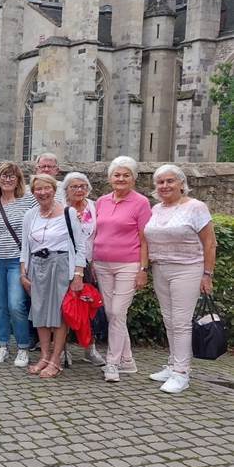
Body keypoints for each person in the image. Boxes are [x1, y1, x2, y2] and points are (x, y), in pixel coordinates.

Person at [145, 165, 217, 394]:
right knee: (169, 319)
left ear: (182, 184)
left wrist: (207, 274)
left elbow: (210, 243)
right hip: (161, 269)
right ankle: (173, 364)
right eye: (160, 182)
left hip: (187, 269)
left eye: (170, 181)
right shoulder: (156, 209)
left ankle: (182, 373)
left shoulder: (196, 207)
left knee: (181, 322)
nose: (165, 186)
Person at [19, 173, 86, 378]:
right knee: (39, 312)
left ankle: (56, 360)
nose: (42, 192)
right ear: (33, 193)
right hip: (37, 265)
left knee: (58, 314)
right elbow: (25, 246)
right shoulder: (30, 215)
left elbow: (80, 245)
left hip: (61, 265)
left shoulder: (68, 213)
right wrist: (23, 272)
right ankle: (44, 357)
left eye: (46, 188)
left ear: (54, 190)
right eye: (38, 189)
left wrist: (78, 274)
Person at [92, 156, 152, 382]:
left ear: (134, 179)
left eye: (126, 175)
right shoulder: (102, 201)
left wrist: (143, 269)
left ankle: (113, 363)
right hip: (102, 264)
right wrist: (92, 262)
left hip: (128, 264)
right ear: (110, 178)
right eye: (117, 174)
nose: (121, 178)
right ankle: (128, 361)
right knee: (112, 313)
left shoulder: (141, 203)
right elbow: (95, 233)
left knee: (117, 312)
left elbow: (145, 239)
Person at [0, 162, 35, 368]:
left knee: (16, 305)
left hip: (18, 260)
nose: (7, 179)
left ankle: (23, 346)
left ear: (18, 180)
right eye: (3, 176)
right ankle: (3, 344)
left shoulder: (27, 201)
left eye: (12, 176)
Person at [62, 171, 106, 367]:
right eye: (74, 186)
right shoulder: (60, 209)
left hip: (88, 264)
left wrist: (95, 262)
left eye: (82, 186)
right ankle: (63, 350)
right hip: (64, 264)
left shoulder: (94, 207)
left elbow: (100, 236)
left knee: (89, 307)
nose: (79, 190)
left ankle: (90, 349)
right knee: (64, 309)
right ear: (66, 191)